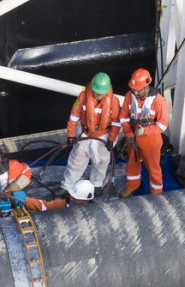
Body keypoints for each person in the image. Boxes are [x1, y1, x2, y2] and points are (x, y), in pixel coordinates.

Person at [62, 72, 120, 198]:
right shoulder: (83, 97)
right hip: (85, 133)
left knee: (102, 161)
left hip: (104, 136)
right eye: (96, 91)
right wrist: (71, 135)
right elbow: (73, 117)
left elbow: (116, 123)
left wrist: (111, 139)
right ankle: (67, 185)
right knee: (77, 159)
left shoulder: (114, 101)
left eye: (101, 92)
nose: (98, 94)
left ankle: (97, 183)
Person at [0, 145, 70, 216]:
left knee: (30, 204)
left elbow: (27, 171)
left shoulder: (12, 167)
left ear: (0, 162)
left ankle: (64, 204)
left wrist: (17, 185)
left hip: (15, 202)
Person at [118, 68, 170, 197]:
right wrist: (129, 134)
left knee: (153, 168)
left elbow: (162, 125)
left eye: (138, 89)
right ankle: (132, 186)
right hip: (133, 137)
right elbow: (124, 117)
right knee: (132, 163)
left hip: (150, 140)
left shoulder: (159, 101)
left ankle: (157, 192)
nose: (135, 92)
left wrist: (145, 131)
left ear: (147, 87)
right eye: (133, 89)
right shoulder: (129, 96)